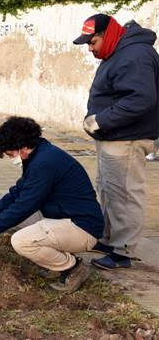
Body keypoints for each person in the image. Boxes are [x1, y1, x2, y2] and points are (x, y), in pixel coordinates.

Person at [0, 117, 104, 292]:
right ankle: (58, 260)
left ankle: (73, 267)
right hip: (64, 217)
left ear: (22, 148)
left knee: (21, 241)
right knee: (15, 219)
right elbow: (15, 195)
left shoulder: (44, 163)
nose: (11, 159)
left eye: (10, 154)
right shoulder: (39, 154)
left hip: (83, 227)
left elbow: (24, 205)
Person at [73, 14, 159, 270]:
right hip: (116, 137)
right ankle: (111, 241)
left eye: (93, 42)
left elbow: (141, 99)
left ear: (108, 35)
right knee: (110, 190)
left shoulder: (134, 56)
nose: (90, 48)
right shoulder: (118, 52)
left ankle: (122, 251)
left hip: (127, 138)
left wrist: (102, 120)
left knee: (124, 193)